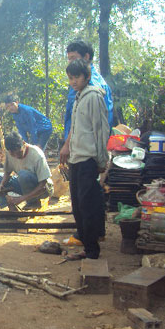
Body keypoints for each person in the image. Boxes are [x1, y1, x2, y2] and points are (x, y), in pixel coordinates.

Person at [60, 59, 109, 260]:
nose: (73, 81)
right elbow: (75, 129)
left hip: (88, 159)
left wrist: (101, 159)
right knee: (78, 205)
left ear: (87, 77)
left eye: (77, 77)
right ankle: (87, 246)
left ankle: (92, 251)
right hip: (76, 159)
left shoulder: (94, 97)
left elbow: (101, 130)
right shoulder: (78, 98)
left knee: (86, 205)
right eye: (70, 78)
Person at [0, 131, 53, 211]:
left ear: (24, 144)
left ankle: (33, 202)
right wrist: (1, 185)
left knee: (23, 174)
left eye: (19, 153)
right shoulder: (9, 152)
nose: (16, 156)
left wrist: (21, 199)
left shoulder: (37, 154)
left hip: (43, 190)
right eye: (13, 154)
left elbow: (43, 186)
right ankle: (10, 205)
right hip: (23, 184)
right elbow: (7, 172)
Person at [63, 40, 113, 141]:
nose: (70, 62)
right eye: (69, 59)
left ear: (86, 57)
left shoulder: (91, 85)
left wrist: (68, 144)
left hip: (86, 144)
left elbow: (84, 121)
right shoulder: (81, 81)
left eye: (73, 58)